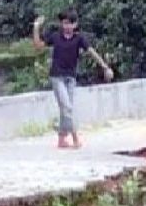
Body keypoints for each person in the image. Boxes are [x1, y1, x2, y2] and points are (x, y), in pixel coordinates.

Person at [32, 9, 114, 149]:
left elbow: (92, 52)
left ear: (75, 24)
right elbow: (38, 46)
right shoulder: (55, 37)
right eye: (64, 23)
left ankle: (61, 139)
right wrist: (36, 27)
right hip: (57, 77)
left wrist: (105, 67)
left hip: (71, 78)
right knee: (67, 107)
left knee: (66, 109)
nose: (67, 27)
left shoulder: (79, 38)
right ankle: (75, 138)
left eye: (70, 24)